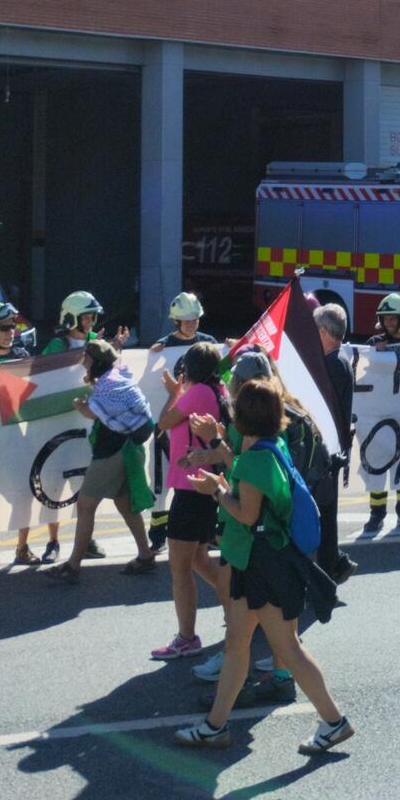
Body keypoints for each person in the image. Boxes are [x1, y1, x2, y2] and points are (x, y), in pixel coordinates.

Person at [173, 380, 352, 756]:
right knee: (238, 645)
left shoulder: (255, 460)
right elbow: (248, 479)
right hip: (259, 561)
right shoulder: (273, 447)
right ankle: (215, 727)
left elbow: (246, 512)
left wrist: (217, 491)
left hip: (263, 564)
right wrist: (220, 457)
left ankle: (334, 721)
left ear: (242, 418)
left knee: (288, 647)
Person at [51, 339, 159, 581]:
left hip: (112, 451)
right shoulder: (118, 375)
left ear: (95, 361)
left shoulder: (105, 386)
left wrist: (82, 408)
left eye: (86, 357)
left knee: (86, 506)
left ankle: (73, 566)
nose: (83, 361)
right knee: (123, 502)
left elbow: (95, 411)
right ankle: (145, 555)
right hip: (127, 447)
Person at [152, 342, 229, 660]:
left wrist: (174, 391)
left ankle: (187, 637)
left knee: (179, 566)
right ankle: (238, 609)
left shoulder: (196, 392)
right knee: (198, 559)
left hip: (191, 486)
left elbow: (164, 422)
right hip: (201, 485)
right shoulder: (215, 389)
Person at [0, 304, 57, 567]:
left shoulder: (22, 357)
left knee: (25, 492)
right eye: (5, 327)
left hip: (18, 435)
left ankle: (23, 547)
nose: (12, 332)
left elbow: (37, 391)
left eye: (13, 326)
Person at [361, 293, 400, 534]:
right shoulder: (374, 343)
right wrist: (375, 353)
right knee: (375, 467)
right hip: (378, 418)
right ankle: (376, 514)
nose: (389, 322)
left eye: (394, 318)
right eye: (386, 318)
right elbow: (363, 372)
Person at [311, 304, 357, 582]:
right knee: (326, 510)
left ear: (324, 331)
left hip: (327, 451)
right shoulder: (337, 360)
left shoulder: (333, 364)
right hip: (332, 448)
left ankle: (329, 568)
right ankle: (332, 564)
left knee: (324, 512)